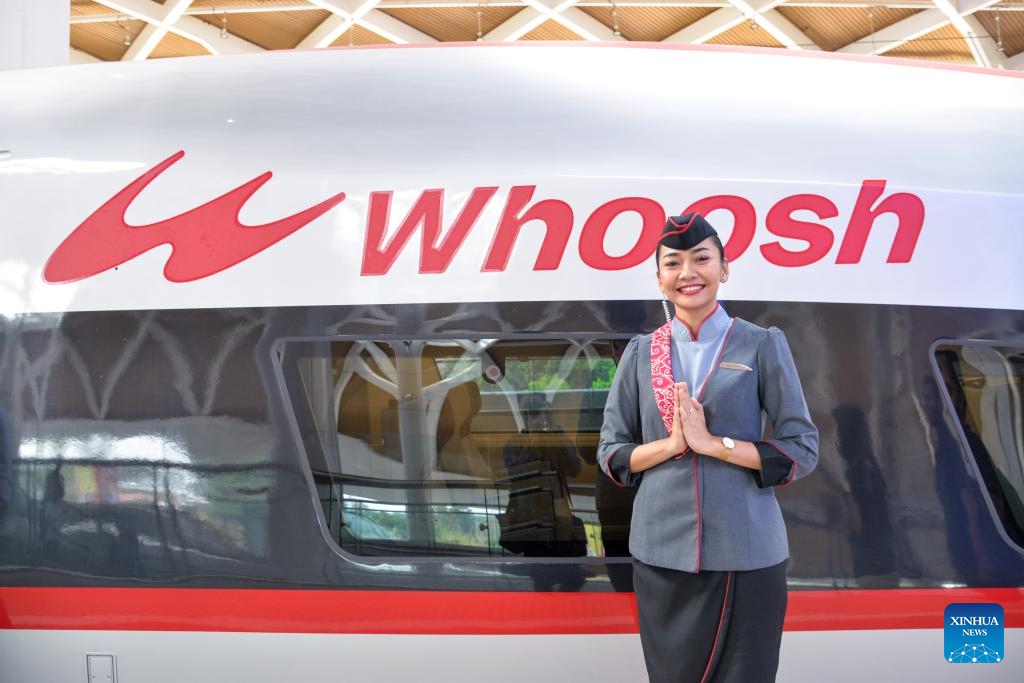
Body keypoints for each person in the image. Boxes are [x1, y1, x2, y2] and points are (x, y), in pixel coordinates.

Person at [597, 212, 819, 682]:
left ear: (724, 268)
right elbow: (612, 454)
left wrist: (715, 445)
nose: (687, 273)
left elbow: (802, 447)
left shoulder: (761, 345)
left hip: (748, 553)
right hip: (662, 556)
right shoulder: (642, 352)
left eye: (701, 259)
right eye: (673, 263)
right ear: (658, 278)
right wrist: (674, 444)